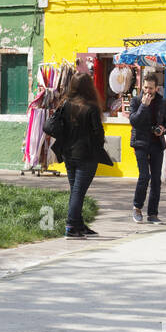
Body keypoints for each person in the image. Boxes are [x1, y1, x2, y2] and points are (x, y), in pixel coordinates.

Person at [45, 73, 111, 238]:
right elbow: (98, 133)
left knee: (76, 189)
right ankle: (71, 225)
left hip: (68, 154)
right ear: (89, 87)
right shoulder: (91, 108)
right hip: (86, 156)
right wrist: (98, 146)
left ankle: (79, 224)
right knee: (78, 192)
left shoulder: (66, 104)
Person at [127, 71, 166, 224]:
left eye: (151, 88)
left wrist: (163, 129)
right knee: (144, 176)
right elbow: (134, 121)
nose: (148, 91)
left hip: (156, 143)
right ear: (142, 86)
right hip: (140, 142)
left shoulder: (162, 102)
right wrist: (144, 106)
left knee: (156, 180)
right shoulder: (136, 101)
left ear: (156, 88)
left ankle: (153, 214)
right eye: (145, 87)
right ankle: (137, 208)